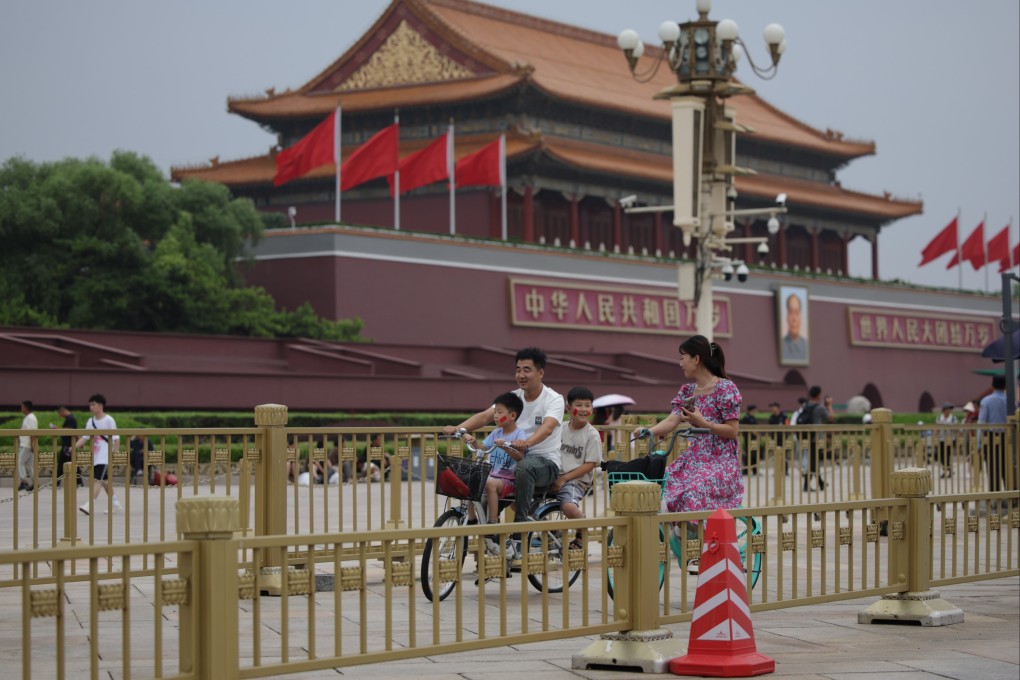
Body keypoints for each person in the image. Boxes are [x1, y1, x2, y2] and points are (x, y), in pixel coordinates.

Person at [635, 335, 744, 537]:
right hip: (695, 457)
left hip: (721, 461)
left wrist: (704, 423)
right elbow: (671, 420)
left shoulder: (726, 388)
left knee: (694, 489)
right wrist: (649, 431)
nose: (680, 363)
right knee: (663, 481)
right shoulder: (687, 391)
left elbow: (732, 430)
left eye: (682, 357)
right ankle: (681, 532)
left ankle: (696, 544)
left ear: (696, 359)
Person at [447, 347, 564, 524]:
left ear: (540, 373)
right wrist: (458, 429)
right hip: (511, 462)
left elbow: (547, 428)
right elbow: (485, 416)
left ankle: (520, 523)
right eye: (518, 370)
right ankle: (490, 537)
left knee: (524, 466)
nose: (521, 375)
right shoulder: (513, 398)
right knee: (480, 481)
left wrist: (526, 443)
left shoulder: (554, 399)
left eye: (527, 370)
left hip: (544, 462)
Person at [461, 391, 527, 532]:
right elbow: (483, 447)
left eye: (499, 412)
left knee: (490, 483)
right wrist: (474, 442)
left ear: (512, 416)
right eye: (495, 411)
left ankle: (492, 522)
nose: (495, 415)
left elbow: (520, 457)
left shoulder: (519, 434)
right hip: (493, 477)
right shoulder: (496, 432)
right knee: (468, 479)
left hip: (509, 481)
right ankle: (472, 520)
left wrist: (506, 446)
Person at [552, 386, 602, 549]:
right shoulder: (560, 428)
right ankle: (550, 531)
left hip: (576, 481)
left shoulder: (592, 434)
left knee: (568, 507)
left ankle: (582, 532)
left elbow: (591, 464)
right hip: (554, 476)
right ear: (568, 408)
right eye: (579, 405)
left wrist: (565, 478)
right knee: (519, 500)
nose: (583, 409)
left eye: (587, 405)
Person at [73, 393, 122, 514]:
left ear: (100, 405)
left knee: (97, 480)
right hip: (96, 457)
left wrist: (114, 453)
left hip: (105, 457)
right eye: (90, 405)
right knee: (104, 481)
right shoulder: (90, 421)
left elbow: (116, 438)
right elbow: (85, 437)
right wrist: (72, 447)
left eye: (93, 404)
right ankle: (115, 503)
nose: (91, 407)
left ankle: (90, 504)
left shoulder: (109, 420)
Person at [978, 375, 1009, 494]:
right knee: (1007, 467)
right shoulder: (1011, 401)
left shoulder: (986, 401)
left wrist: (979, 444)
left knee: (992, 468)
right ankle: (1011, 495)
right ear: (1005, 386)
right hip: (1008, 438)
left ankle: (995, 497)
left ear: (992, 385)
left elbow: (981, 423)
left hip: (991, 438)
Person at [801, 386, 834, 492]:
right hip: (816, 439)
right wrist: (829, 405)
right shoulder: (819, 407)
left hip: (806, 437)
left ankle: (820, 483)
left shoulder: (806, 406)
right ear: (819, 394)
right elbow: (831, 418)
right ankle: (811, 485)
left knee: (813, 461)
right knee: (814, 462)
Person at [50, 405, 82, 487]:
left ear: (62, 411)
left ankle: (78, 482)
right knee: (65, 464)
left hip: (68, 446)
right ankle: (78, 482)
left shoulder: (70, 418)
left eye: (59, 414)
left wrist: (56, 428)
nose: (60, 416)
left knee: (66, 464)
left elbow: (71, 430)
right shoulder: (70, 418)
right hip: (68, 445)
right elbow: (75, 431)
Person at [17, 400, 38, 491]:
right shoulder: (28, 417)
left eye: (22, 407)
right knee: (30, 465)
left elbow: (32, 432)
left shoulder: (30, 418)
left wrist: (32, 444)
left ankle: (24, 481)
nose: (21, 408)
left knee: (20, 462)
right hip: (27, 444)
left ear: (26, 408)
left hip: (27, 445)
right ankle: (35, 483)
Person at [781, 293, 807, 361]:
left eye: (797, 312)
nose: (794, 319)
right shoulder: (781, 346)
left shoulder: (806, 346)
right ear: (787, 317)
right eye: (791, 312)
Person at [935, 402, 957, 478]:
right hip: (941, 439)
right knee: (940, 456)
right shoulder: (939, 417)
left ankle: (946, 471)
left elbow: (956, 428)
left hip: (950, 439)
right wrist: (934, 437)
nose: (949, 411)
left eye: (950, 409)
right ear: (944, 410)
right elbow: (937, 428)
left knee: (947, 455)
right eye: (948, 409)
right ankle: (949, 470)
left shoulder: (953, 418)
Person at [740, 404, 760, 474]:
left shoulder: (753, 418)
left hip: (754, 440)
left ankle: (755, 470)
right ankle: (746, 470)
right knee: (748, 454)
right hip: (748, 439)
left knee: (754, 454)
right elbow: (742, 427)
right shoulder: (746, 418)